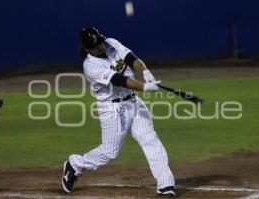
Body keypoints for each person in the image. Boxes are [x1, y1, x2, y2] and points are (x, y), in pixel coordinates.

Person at [61, 27, 176, 197]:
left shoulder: (111, 43)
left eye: (100, 42)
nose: (100, 47)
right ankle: (75, 164)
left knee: (150, 138)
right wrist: (144, 86)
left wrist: (145, 71)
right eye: (96, 46)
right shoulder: (90, 66)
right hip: (112, 109)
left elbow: (131, 58)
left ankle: (166, 184)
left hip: (134, 101)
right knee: (110, 152)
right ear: (87, 49)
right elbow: (119, 80)